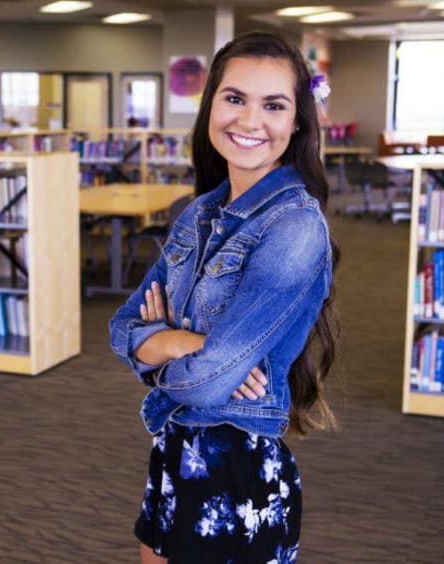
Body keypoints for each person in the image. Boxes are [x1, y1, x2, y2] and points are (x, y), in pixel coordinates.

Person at [109, 30, 339, 564]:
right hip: (174, 450)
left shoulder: (296, 228)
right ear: (211, 103)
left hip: (237, 471)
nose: (249, 120)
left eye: (273, 105)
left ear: (296, 121)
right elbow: (120, 326)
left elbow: (211, 382)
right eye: (234, 98)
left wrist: (157, 349)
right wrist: (183, 343)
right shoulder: (200, 214)